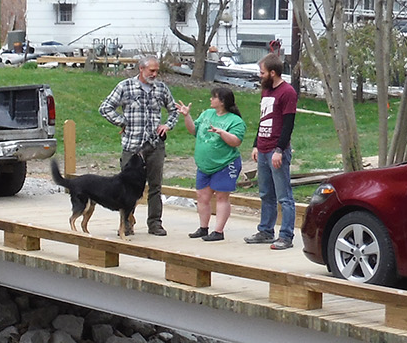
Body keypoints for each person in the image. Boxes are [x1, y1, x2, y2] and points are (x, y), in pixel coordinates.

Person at [98, 53, 185, 235]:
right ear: (141, 69)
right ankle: (126, 224)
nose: (154, 74)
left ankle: (155, 223)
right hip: (133, 145)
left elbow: (173, 110)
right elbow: (105, 108)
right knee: (127, 186)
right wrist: (122, 122)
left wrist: (167, 125)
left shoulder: (161, 89)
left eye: (157, 71)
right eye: (151, 71)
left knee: (155, 185)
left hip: (154, 145)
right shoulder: (125, 86)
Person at [244, 56, 298, 248]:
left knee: (284, 195)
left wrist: (279, 150)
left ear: (272, 73)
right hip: (263, 147)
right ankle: (266, 230)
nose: (260, 76)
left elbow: (288, 125)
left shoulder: (287, 92)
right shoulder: (266, 91)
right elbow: (263, 119)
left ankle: (286, 235)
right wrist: (256, 144)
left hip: (276, 150)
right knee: (266, 193)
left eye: (262, 72)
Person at [181, 84, 246, 240]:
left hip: (225, 163)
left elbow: (236, 141)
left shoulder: (235, 121)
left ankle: (218, 231)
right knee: (202, 196)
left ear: (222, 101)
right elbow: (194, 131)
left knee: (221, 197)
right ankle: (203, 228)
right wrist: (186, 116)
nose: (211, 99)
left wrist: (222, 133)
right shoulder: (207, 114)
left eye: (214, 97)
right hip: (204, 165)